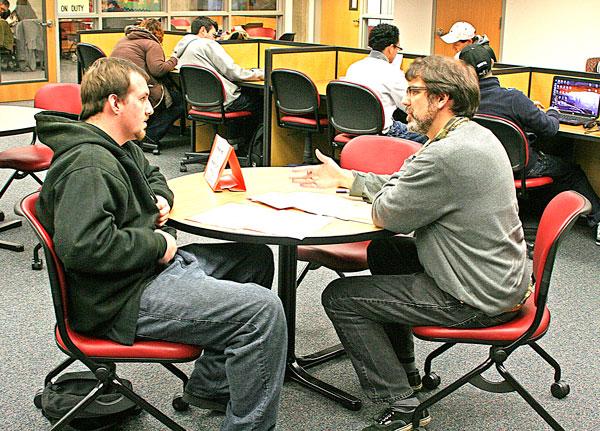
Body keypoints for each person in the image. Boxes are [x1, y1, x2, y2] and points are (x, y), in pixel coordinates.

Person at [34, 57, 287, 431]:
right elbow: (84, 247)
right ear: (114, 103)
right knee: (261, 311)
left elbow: (152, 175)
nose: (152, 108)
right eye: (142, 99)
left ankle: (210, 388)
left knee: (253, 258)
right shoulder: (88, 165)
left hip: (141, 272)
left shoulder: (119, 144)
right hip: (120, 298)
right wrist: (156, 245)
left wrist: (158, 197)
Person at [291, 55, 530, 431]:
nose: (406, 100)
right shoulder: (472, 135)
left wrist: (365, 189)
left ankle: (400, 406)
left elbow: (389, 214)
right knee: (386, 250)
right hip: (499, 279)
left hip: (476, 297)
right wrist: (347, 179)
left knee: (341, 297)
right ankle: (405, 373)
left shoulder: (445, 154)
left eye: (415, 92)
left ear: (442, 99)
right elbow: (402, 187)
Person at [459, 43, 600, 245]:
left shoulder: (461, 102)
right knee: (572, 171)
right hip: (522, 168)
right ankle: (598, 220)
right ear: (492, 63)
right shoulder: (513, 98)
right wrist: (552, 112)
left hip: (479, 165)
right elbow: (550, 129)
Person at [172, 16, 263, 152]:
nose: (215, 39)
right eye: (213, 34)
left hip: (198, 103)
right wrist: (256, 74)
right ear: (203, 31)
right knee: (260, 101)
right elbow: (233, 72)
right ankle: (246, 148)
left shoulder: (182, 47)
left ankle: (234, 142)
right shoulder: (207, 44)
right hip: (222, 103)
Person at [343, 23, 427, 143]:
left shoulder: (353, 67)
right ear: (390, 48)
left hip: (350, 127)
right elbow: (408, 105)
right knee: (428, 135)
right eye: (398, 48)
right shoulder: (392, 72)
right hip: (382, 131)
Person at [110, 18, 183, 148]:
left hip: (119, 88)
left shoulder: (123, 40)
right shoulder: (151, 44)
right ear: (159, 33)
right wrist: (173, 60)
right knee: (180, 101)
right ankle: (150, 136)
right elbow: (158, 70)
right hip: (141, 90)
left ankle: (138, 133)